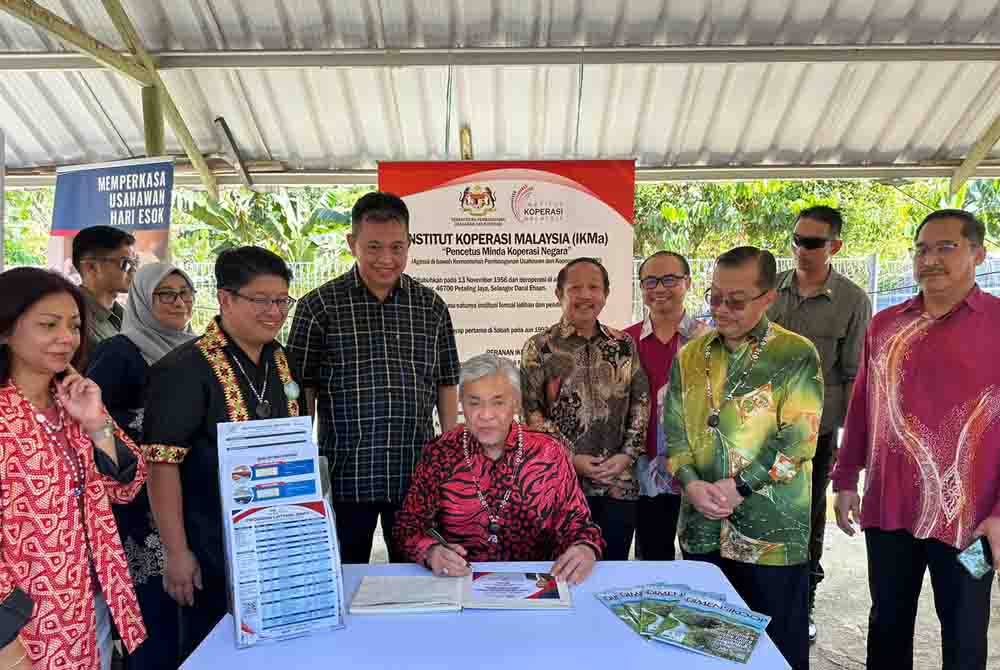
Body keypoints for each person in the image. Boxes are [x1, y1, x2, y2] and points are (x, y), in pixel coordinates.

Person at [832, 209, 1000, 670]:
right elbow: (863, 403)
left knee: (965, 626)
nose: (930, 258)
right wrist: (846, 477)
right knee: (887, 622)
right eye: (922, 248)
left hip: (971, 521)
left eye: (946, 247)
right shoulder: (885, 325)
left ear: (978, 254)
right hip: (890, 512)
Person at [663, 247, 823, 670]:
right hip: (701, 528)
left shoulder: (795, 354)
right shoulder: (690, 357)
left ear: (768, 297)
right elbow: (675, 436)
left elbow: (799, 444)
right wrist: (692, 483)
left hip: (771, 535)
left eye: (736, 300)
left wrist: (740, 486)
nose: (722, 309)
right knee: (707, 647)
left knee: (777, 651)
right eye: (715, 297)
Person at [142, 247, 301, 660]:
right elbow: (162, 467)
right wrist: (176, 553)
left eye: (281, 300)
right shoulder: (183, 370)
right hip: (210, 545)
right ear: (226, 298)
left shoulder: (281, 360)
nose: (274, 311)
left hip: (277, 540)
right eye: (261, 300)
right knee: (216, 650)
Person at [287, 192, 460, 564]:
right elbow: (303, 389)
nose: (386, 258)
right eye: (374, 246)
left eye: (397, 247)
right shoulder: (318, 307)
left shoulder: (431, 307)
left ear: (410, 244)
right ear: (352, 244)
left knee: (418, 576)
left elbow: (447, 380)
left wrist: (447, 451)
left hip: (414, 472)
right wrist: (301, 457)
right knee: (343, 573)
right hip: (347, 471)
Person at [0, 267, 147, 670]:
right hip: (24, 620)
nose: (67, 337)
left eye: (75, 325)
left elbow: (127, 486)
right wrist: (6, 645)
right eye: (49, 325)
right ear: (5, 331)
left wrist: (96, 422)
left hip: (90, 596)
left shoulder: (73, 399)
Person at [394, 354, 604, 583]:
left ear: (515, 402)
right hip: (458, 584)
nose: (485, 415)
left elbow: (580, 525)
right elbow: (408, 526)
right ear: (461, 404)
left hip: (539, 587)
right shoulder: (440, 452)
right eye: (474, 402)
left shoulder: (548, 453)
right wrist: (430, 551)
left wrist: (585, 548)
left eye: (498, 402)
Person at [766, 205, 872, 643]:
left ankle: (801, 604)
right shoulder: (769, 289)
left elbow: (854, 378)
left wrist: (847, 451)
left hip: (815, 438)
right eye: (796, 239)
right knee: (752, 513)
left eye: (811, 242)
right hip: (756, 432)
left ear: (835, 246)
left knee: (806, 521)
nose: (800, 249)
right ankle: (754, 600)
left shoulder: (852, 301)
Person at [87, 262, 197, 670]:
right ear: (141, 299)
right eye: (164, 293)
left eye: (184, 293)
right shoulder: (119, 350)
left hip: (187, 497)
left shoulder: (197, 349)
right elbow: (94, 423)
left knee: (192, 615)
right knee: (153, 615)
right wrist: (150, 436)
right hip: (136, 503)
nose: (178, 301)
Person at [521, 257, 649, 561]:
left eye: (594, 287)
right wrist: (570, 459)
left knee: (613, 567)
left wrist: (625, 456)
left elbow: (640, 404)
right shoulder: (539, 348)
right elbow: (531, 415)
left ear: (605, 294)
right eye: (575, 287)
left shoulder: (624, 345)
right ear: (559, 293)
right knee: (564, 571)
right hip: (561, 485)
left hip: (618, 482)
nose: (585, 295)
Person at [625, 251, 708, 561]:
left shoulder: (708, 340)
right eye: (650, 281)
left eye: (670, 279)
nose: (659, 288)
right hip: (646, 468)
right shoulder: (625, 341)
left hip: (697, 467)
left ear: (687, 282)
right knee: (652, 554)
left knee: (698, 555)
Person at [72, 226, 138, 357]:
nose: (134, 270)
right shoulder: (75, 319)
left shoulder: (126, 316)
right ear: (91, 267)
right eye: (125, 263)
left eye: (135, 263)